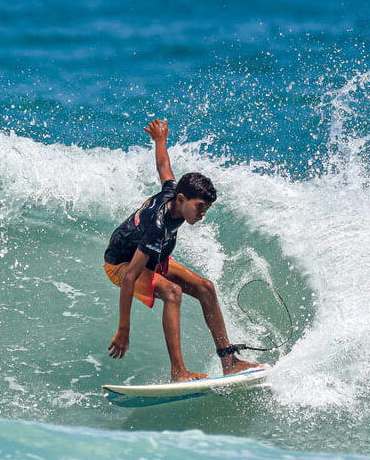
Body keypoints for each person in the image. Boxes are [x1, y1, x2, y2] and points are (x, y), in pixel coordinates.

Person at [104, 118, 260, 381]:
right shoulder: (157, 224)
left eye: (206, 209)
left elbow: (164, 166)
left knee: (206, 287)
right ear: (181, 200)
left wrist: (160, 139)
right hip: (121, 264)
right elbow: (130, 276)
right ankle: (178, 372)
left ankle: (229, 361)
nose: (202, 214)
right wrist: (123, 329)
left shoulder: (174, 193)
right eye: (200, 207)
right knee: (172, 292)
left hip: (155, 256)